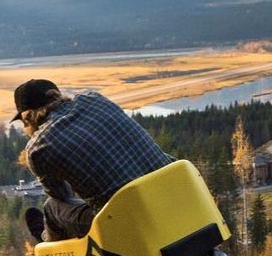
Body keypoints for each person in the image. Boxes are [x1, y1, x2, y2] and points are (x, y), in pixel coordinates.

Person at [12, 79, 175, 242]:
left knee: (52, 208)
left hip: (127, 220)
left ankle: (47, 246)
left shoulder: (38, 148)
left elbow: (62, 195)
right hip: (174, 192)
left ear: (28, 117)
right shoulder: (95, 99)